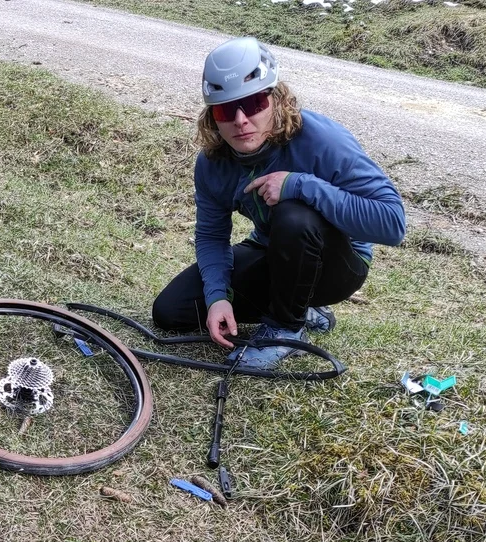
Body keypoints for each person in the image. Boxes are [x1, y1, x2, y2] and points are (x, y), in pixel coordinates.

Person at [152, 36, 406, 369]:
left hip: (339, 264)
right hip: (273, 253)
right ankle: (299, 307)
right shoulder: (213, 162)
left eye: (254, 103)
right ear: (213, 116)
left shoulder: (321, 140)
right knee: (171, 310)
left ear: (276, 99)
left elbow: (392, 224)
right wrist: (217, 297)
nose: (241, 120)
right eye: (227, 109)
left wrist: (299, 184)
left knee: (294, 213)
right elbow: (212, 236)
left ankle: (286, 329)